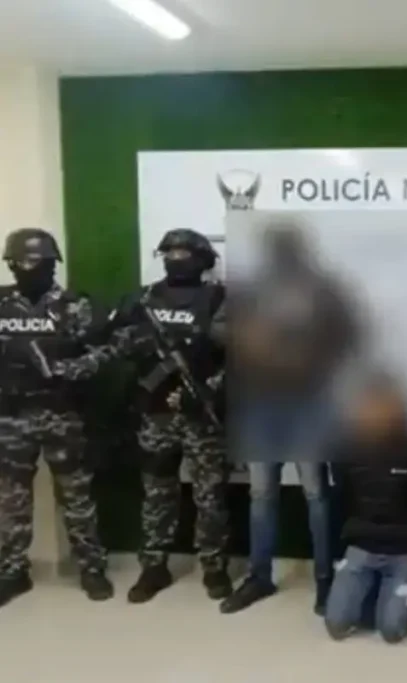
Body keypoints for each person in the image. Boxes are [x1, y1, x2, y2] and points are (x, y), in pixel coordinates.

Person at [220, 223, 363, 616]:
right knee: (261, 496)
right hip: (260, 403)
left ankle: (325, 580)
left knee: (316, 496)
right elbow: (220, 331)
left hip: (307, 404)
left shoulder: (323, 289)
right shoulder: (251, 290)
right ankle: (259, 576)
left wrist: (311, 353)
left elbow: (350, 336)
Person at [106, 229, 232, 603]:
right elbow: (113, 342)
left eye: (184, 253)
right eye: (170, 253)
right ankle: (154, 566)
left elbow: (237, 355)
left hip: (200, 411)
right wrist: (136, 342)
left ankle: (214, 566)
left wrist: (210, 390)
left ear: (203, 259)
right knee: (157, 492)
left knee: (210, 494)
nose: (176, 259)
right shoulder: (144, 298)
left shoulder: (219, 297)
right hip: (155, 411)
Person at [0, 228, 116, 606]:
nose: (27, 268)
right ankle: (12, 571)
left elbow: (104, 351)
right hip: (11, 415)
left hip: (61, 412)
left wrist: (67, 370)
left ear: (52, 264)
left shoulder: (74, 306)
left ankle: (91, 568)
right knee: (11, 498)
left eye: (36, 262)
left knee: (76, 495)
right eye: (20, 262)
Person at [324, 371, 407, 643]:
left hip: (405, 550)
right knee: (336, 625)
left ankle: (403, 587)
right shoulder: (347, 446)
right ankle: (370, 591)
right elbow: (342, 494)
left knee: (391, 631)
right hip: (362, 546)